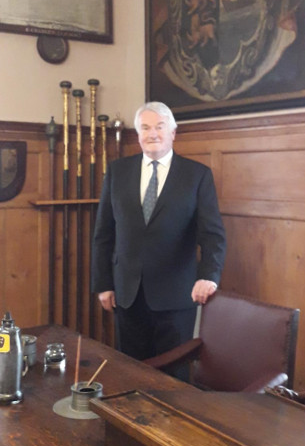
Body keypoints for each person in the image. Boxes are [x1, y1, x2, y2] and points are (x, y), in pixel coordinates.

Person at [91, 102, 226, 380]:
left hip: (177, 295)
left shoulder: (197, 175)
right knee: (130, 372)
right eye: (145, 128)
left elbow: (212, 234)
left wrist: (209, 276)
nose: (153, 134)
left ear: (173, 132)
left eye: (160, 127)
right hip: (127, 294)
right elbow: (104, 233)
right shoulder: (117, 172)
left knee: (173, 376)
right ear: (138, 134)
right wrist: (103, 283)